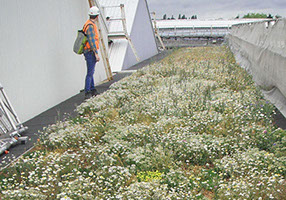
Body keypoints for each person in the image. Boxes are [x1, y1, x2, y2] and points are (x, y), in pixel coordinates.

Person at [83, 6, 101, 99]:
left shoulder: (88, 24)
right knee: (90, 72)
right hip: (90, 52)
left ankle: (92, 89)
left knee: (91, 70)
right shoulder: (90, 26)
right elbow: (91, 41)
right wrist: (96, 53)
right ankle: (88, 91)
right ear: (97, 16)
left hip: (88, 51)